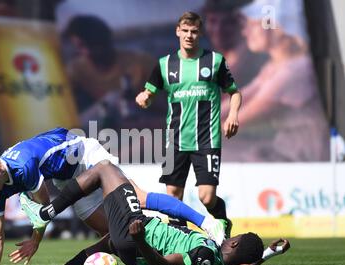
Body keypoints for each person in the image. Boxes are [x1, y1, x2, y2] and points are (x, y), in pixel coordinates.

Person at [0, 127, 226, 265]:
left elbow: (45, 207)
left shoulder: (23, 168)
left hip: (84, 155)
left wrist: (36, 241)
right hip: (66, 176)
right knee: (113, 233)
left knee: (138, 196)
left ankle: (206, 222)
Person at [20, 161, 290, 265]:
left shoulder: (206, 253)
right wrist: (269, 254)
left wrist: (139, 239)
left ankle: (46, 213)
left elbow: (165, 262)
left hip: (139, 235)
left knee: (106, 169)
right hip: (133, 250)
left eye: (235, 236)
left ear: (234, 241)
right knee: (101, 248)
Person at [135, 12, 242, 231]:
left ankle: (222, 223)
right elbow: (148, 92)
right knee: (173, 197)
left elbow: (235, 92)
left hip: (207, 138)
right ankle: (182, 244)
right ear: (178, 32)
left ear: (200, 33)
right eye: (185, 31)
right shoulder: (165, 64)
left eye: (194, 31)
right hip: (175, 140)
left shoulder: (215, 61)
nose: (189, 35)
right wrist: (144, 97)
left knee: (207, 197)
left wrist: (233, 115)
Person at [221, 0, 330, 162]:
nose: (245, 32)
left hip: (301, 160)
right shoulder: (276, 66)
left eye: (252, 24)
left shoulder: (293, 72)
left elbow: (238, 120)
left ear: (277, 26)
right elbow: (238, 99)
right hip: (283, 151)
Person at [63, 15, 158, 133]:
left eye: (94, 44)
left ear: (106, 40)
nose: (87, 51)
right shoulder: (75, 69)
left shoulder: (141, 63)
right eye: (81, 46)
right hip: (103, 122)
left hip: (141, 119)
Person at [202, 0, 268, 88]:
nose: (218, 29)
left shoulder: (256, 62)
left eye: (228, 23)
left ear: (244, 23)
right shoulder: (210, 59)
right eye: (212, 21)